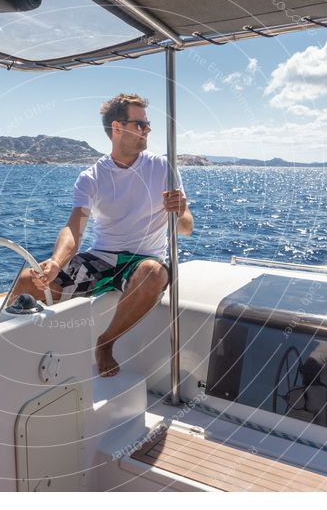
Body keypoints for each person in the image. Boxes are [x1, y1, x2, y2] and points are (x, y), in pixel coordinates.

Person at [11, 93, 192, 377]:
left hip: (143, 260)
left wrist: (181, 211)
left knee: (152, 274)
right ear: (118, 128)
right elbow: (74, 227)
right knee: (27, 282)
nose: (148, 130)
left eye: (148, 124)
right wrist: (57, 261)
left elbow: (186, 228)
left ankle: (105, 343)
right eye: (141, 124)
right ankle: (13, 355)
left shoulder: (162, 168)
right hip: (101, 258)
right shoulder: (91, 177)